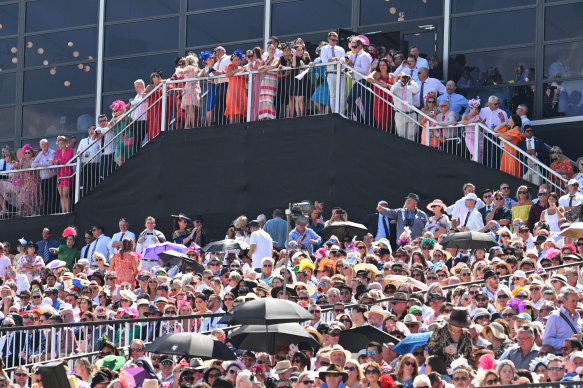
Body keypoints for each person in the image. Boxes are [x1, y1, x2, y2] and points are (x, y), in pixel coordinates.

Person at [542, 286, 582, 353]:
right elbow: (546, 341)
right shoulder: (555, 316)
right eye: (573, 301)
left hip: (576, 358)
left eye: (577, 301)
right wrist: (568, 342)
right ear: (564, 300)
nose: (575, 304)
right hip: (561, 357)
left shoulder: (577, 316)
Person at [345, 36, 373, 125]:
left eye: (355, 47)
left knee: (366, 105)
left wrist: (353, 66)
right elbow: (347, 59)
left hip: (364, 82)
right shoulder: (355, 55)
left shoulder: (364, 55)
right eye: (352, 47)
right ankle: (361, 121)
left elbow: (364, 70)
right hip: (357, 82)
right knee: (350, 100)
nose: (353, 49)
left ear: (360, 46)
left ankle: (369, 124)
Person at [366, 58, 394, 132]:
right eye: (380, 65)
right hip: (379, 102)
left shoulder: (391, 75)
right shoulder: (376, 73)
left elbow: (395, 88)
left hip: (389, 102)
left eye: (384, 65)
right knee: (380, 121)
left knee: (389, 122)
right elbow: (368, 78)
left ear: (387, 66)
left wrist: (387, 85)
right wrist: (379, 83)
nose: (382, 67)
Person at [31, 139, 58, 214]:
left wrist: (40, 164)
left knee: (52, 197)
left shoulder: (52, 152)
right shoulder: (40, 154)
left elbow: (50, 164)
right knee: (45, 197)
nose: (44, 146)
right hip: (43, 179)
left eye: (45, 144)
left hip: (52, 178)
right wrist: (40, 164)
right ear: (40, 146)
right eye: (42, 144)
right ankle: (46, 213)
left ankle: (52, 212)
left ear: (48, 145)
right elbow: (33, 164)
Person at [391, 73, 419, 141]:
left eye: (405, 78)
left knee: (411, 138)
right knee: (401, 137)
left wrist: (411, 80)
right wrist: (400, 80)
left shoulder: (409, 88)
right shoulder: (396, 88)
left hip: (411, 114)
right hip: (400, 114)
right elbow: (392, 90)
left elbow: (416, 89)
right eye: (403, 78)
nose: (404, 79)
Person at [51, 136, 74, 213]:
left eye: (61, 143)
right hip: (60, 174)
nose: (60, 145)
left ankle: (67, 211)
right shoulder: (58, 151)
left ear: (65, 143)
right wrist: (56, 162)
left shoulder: (70, 150)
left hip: (67, 174)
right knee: (61, 195)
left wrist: (57, 161)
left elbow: (66, 161)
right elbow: (56, 163)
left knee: (66, 194)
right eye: (59, 144)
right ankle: (63, 212)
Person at [76, 123, 101, 196]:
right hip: (86, 166)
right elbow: (78, 152)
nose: (92, 131)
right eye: (91, 129)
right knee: (86, 185)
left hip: (96, 166)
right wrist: (79, 153)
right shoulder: (83, 141)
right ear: (88, 131)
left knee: (95, 185)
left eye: (94, 129)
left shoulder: (99, 140)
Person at [224, 50, 247, 124]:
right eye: (235, 60)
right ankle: (231, 129)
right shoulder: (231, 66)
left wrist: (245, 73)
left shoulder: (242, 68)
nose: (237, 61)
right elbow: (227, 74)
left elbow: (247, 78)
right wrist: (237, 71)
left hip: (240, 91)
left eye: (239, 59)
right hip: (233, 91)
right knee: (233, 110)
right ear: (232, 61)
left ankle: (236, 128)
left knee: (238, 111)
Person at [258, 43, 280, 120]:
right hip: (263, 81)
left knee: (270, 99)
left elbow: (274, 66)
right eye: (270, 48)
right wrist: (266, 67)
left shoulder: (277, 59)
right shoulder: (264, 60)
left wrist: (264, 67)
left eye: (273, 49)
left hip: (272, 81)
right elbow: (259, 70)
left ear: (275, 51)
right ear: (267, 50)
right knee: (263, 99)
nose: (271, 50)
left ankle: (270, 117)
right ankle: (263, 116)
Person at [461, 98, 487, 162]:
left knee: (480, 155)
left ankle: (477, 169)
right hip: (469, 138)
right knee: (475, 154)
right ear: (471, 108)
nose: (476, 112)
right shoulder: (465, 115)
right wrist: (473, 122)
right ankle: (472, 168)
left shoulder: (478, 117)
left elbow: (482, 129)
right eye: (475, 109)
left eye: (478, 110)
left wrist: (482, 124)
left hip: (479, 137)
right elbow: (463, 122)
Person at [212, 46, 231, 125]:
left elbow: (230, 68)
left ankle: (225, 121)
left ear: (221, 51)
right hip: (218, 84)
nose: (215, 53)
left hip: (226, 83)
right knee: (218, 102)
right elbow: (212, 74)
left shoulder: (228, 58)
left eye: (215, 51)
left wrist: (221, 73)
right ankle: (218, 120)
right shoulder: (216, 63)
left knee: (224, 102)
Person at [129, 79, 148, 152]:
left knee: (138, 140)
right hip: (135, 121)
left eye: (137, 87)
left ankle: (137, 155)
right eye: (135, 87)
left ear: (142, 86)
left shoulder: (145, 93)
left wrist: (132, 103)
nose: (136, 89)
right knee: (136, 140)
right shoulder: (137, 96)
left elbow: (143, 100)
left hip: (143, 121)